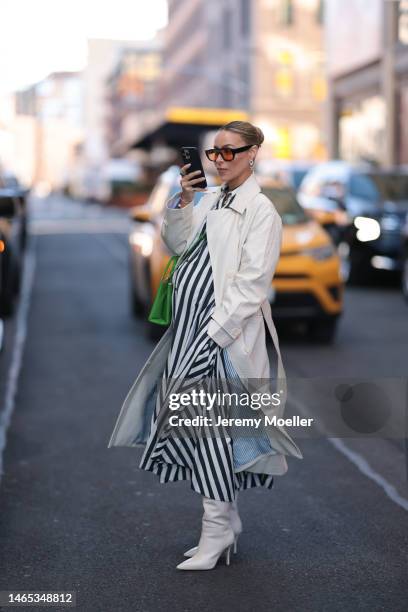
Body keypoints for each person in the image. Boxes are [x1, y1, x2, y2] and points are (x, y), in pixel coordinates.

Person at [108, 121, 303, 571]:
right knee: (200, 428)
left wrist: (212, 336)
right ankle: (225, 522)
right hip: (188, 327)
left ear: (254, 153)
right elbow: (176, 243)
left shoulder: (262, 213)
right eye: (215, 153)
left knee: (211, 431)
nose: (220, 160)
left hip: (221, 337)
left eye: (230, 152)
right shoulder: (211, 199)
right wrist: (182, 200)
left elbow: (252, 286)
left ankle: (216, 531)